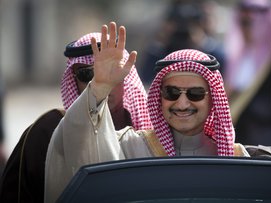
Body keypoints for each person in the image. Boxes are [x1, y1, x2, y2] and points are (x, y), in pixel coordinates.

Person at [44, 21, 249, 203]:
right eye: (171, 92)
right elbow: (80, 145)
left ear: (213, 99)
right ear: (159, 97)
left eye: (195, 93)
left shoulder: (236, 158)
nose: (182, 103)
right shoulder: (130, 147)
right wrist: (99, 89)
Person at [0, 32, 152, 203]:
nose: (101, 80)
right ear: (74, 81)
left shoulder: (153, 136)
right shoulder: (46, 131)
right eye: (87, 74)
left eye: (111, 70)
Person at [223, 0, 271, 147]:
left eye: (251, 23)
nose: (247, 29)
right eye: (243, 23)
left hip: (269, 139)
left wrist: (253, 108)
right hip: (238, 137)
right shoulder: (236, 56)